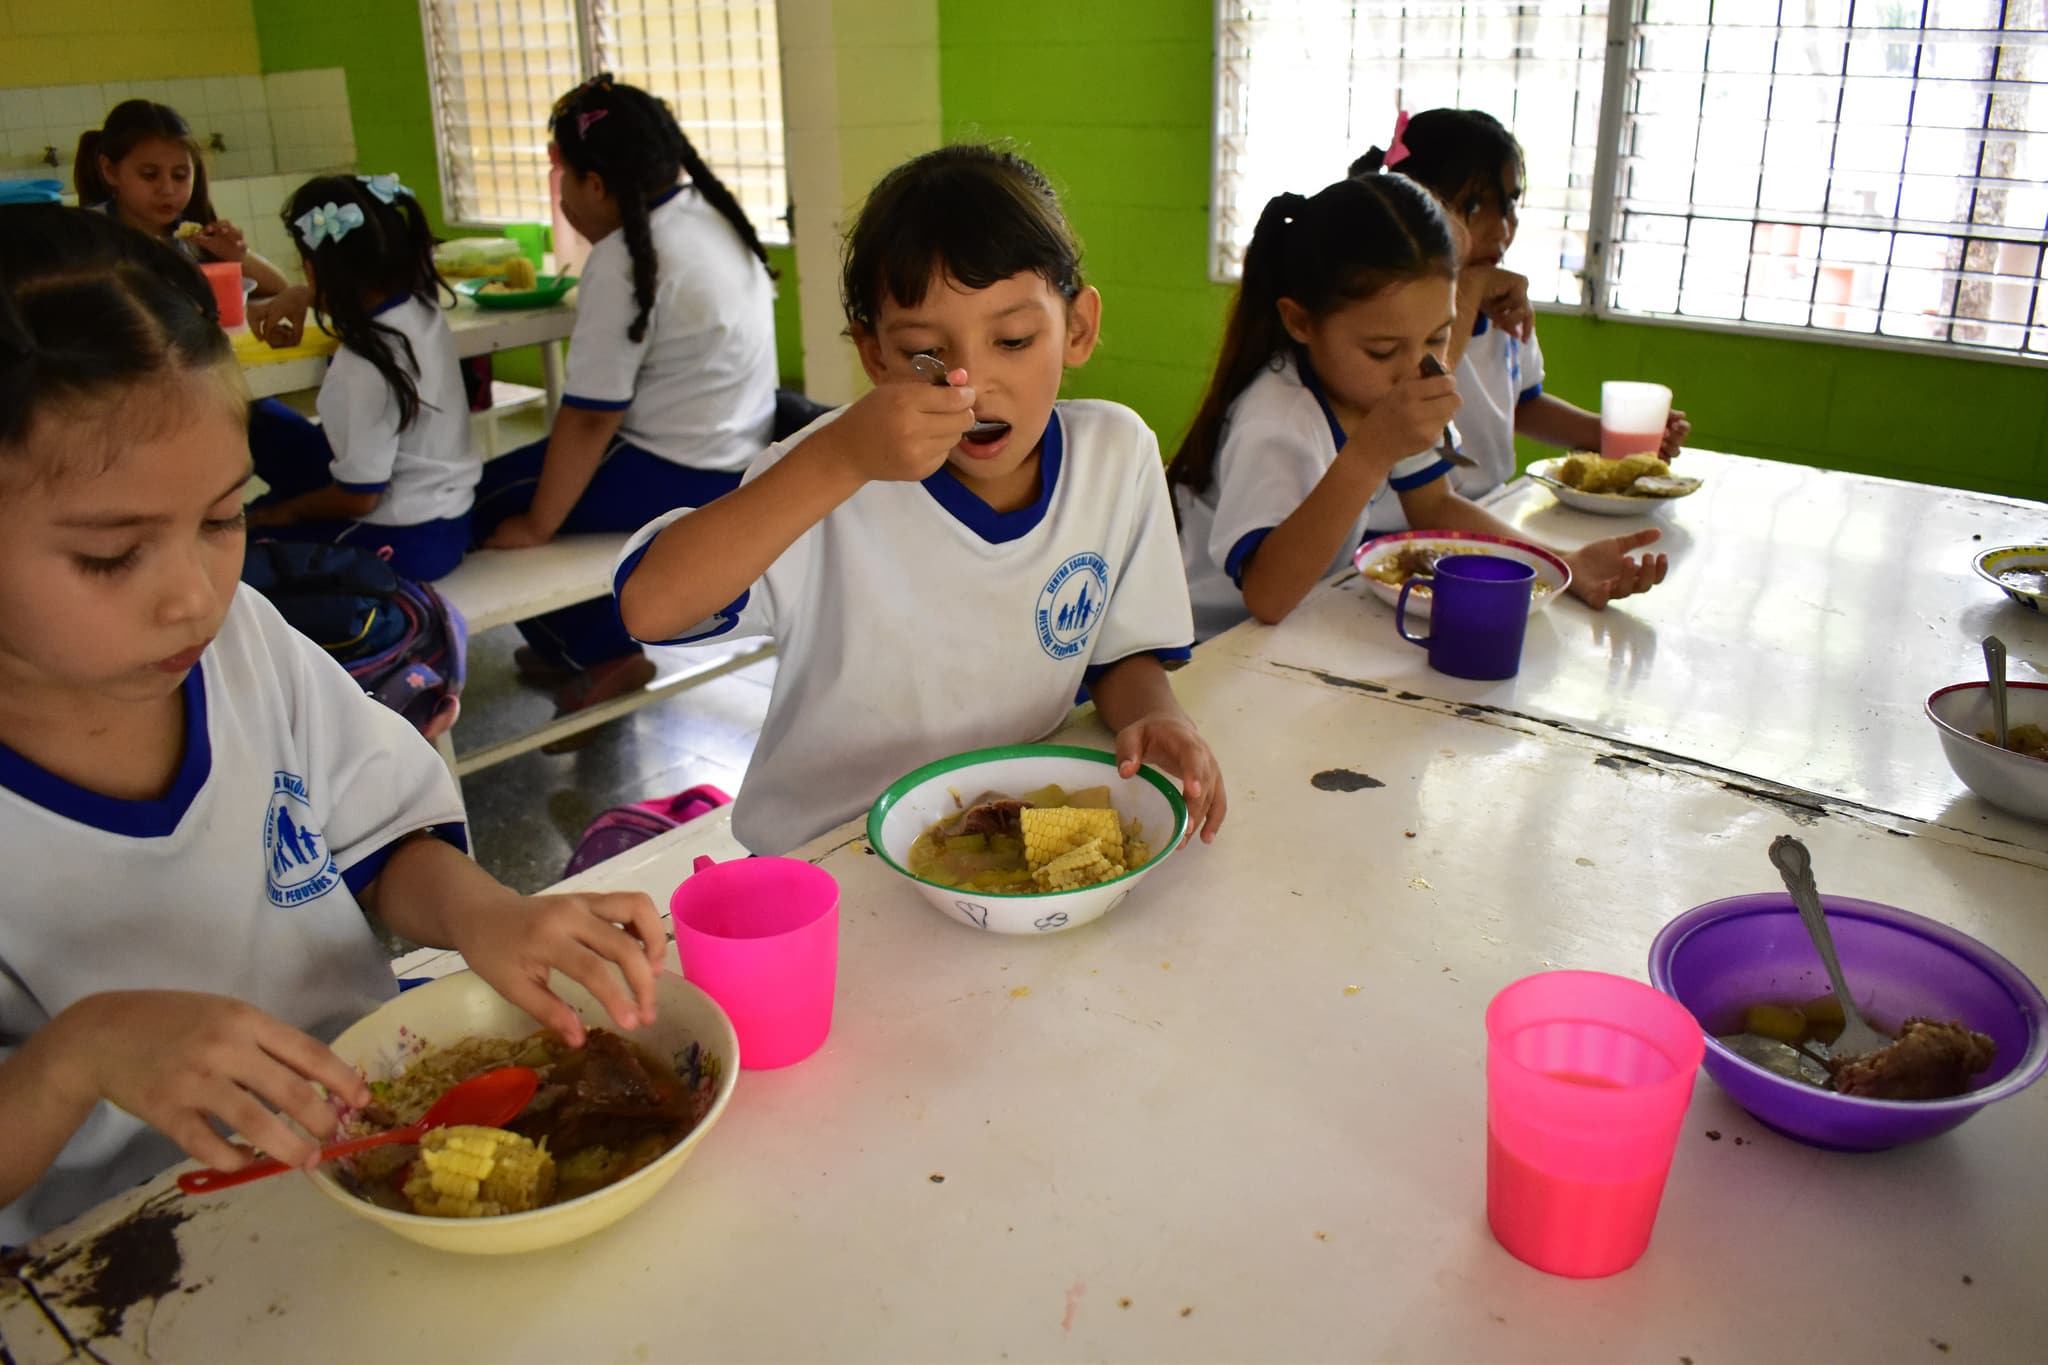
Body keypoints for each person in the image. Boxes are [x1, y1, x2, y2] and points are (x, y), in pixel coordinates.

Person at [0, 206, 665, 1245]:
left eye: (223, 520)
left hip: (362, 1169)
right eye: (109, 555)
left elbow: (380, 836)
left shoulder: (243, 646)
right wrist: (74, 1057)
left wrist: (483, 913)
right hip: (132, 1251)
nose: (193, 595)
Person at [613, 145, 1227, 856]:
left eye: (1015, 339)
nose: (970, 383)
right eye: (924, 357)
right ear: (874, 356)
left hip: (1005, 839)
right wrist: (838, 458)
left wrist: (1156, 715)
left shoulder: (1115, 456)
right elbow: (650, 608)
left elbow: (1121, 655)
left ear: (1078, 328)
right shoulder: (831, 475)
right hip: (833, 855)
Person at [1171, 175, 1669, 641]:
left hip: (1298, 636)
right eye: (1383, 350)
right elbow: (1267, 597)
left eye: (1438, 336)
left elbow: (1435, 505)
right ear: (1300, 322)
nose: (1418, 366)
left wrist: (1559, 564)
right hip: (1204, 656)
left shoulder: (1378, 391)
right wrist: (1370, 454)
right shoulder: (1276, 419)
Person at [472, 76, 780, 722]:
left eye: (563, 176)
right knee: (528, 481)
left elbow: (589, 418)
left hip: (671, 468)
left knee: (478, 503)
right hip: (739, 455)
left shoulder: (622, 261)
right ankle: (572, 643)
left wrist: (536, 525)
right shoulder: (712, 218)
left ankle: (595, 650)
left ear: (596, 185)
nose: (560, 195)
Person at [1350, 108, 1691, 510]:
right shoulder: (1387, 312)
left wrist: (1609, 436)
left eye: (1510, 203)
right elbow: (1421, 393)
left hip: (1489, 507)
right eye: (1474, 206)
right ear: (1414, 210)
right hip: (1399, 529)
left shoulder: (1503, 306)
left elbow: (1522, 404)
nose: (1503, 227)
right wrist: (1469, 290)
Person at [243, 175, 479, 582]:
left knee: (247, 546)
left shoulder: (363, 364)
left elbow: (358, 498)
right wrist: (305, 294)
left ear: (315, 267)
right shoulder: (420, 309)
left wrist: (286, 511)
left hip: (403, 539)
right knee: (257, 417)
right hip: (451, 519)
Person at [74, 99, 310, 347]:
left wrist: (237, 257)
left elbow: (279, 289)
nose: (167, 189)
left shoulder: (196, 238)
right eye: (149, 175)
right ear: (110, 171)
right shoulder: (87, 234)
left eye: (180, 176)